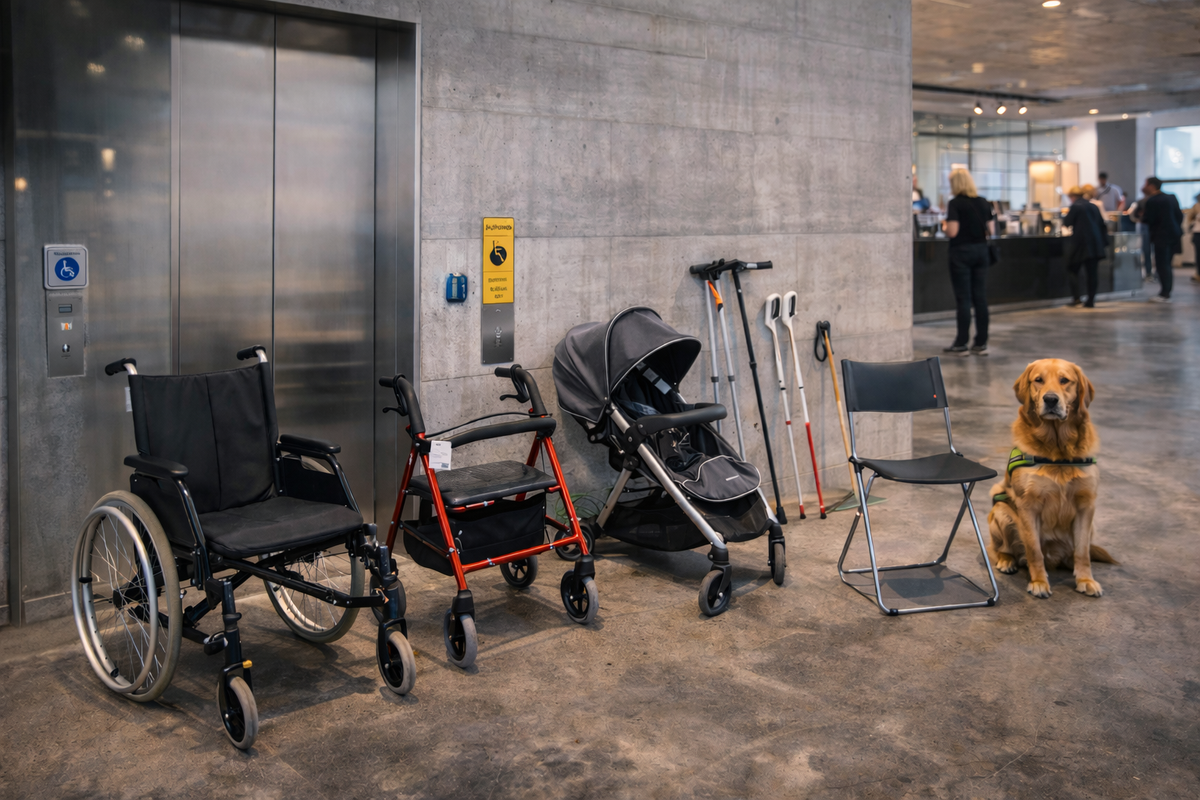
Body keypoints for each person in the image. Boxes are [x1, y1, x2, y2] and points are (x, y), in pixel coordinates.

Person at [942, 167, 994, 356]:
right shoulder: (983, 202)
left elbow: (953, 232)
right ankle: (981, 343)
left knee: (964, 298)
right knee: (980, 297)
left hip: (961, 253)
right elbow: (991, 230)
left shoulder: (955, 204)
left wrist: (944, 226)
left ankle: (961, 343)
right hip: (981, 252)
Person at [1139, 177, 1184, 302]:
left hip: (1161, 236)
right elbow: (1179, 216)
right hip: (1174, 234)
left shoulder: (1152, 201)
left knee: (1162, 264)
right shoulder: (1172, 198)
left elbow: (1148, 219)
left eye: (1146, 184)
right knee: (1167, 264)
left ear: (1151, 186)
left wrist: (1142, 217)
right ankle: (1167, 290)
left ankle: (1165, 293)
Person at [1063, 186, 1108, 308]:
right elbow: (1102, 224)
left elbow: (1067, 223)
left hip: (1080, 244)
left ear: (1071, 196)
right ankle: (1091, 300)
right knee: (1092, 273)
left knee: (1072, 269)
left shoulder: (1075, 206)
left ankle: (1076, 298)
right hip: (1095, 244)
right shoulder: (1093, 206)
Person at [1187, 192, 1200, 284]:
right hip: (1197, 233)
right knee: (1198, 255)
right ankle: (1198, 274)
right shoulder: (1196, 206)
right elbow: (1190, 218)